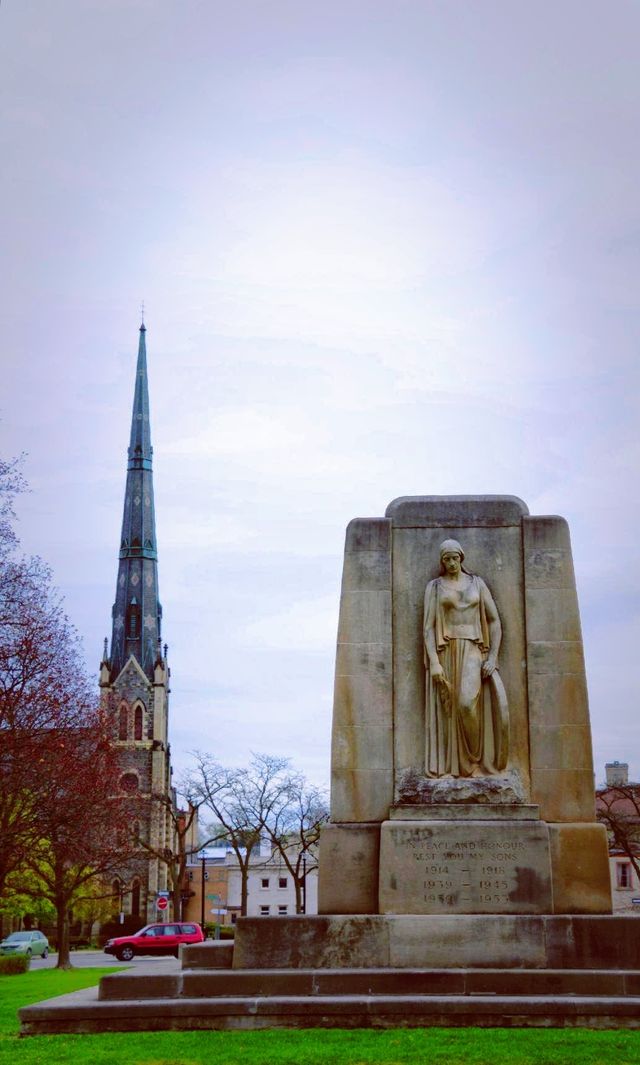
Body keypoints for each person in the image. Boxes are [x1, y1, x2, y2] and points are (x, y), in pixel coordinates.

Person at [423, 539, 508, 777]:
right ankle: (456, 769)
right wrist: (434, 663)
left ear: (462, 558)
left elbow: (494, 621)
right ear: (442, 561)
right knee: (450, 710)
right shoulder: (435, 587)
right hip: (446, 650)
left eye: (455, 558)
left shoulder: (477, 584)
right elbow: (428, 628)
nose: (452, 563)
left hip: (473, 647)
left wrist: (493, 657)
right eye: (447, 559)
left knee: (466, 704)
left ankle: (475, 761)